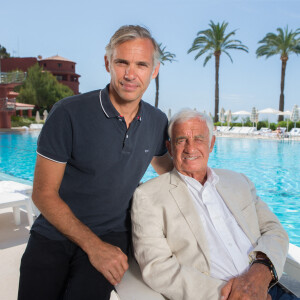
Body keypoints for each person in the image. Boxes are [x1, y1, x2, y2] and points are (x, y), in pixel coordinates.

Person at [18, 25, 173, 300]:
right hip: (54, 232)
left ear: (154, 71)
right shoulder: (68, 113)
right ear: (107, 63)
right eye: (122, 62)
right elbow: (42, 194)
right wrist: (94, 247)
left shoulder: (157, 122)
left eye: (141, 64)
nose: (130, 74)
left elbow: (170, 172)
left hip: (111, 234)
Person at [131, 109, 297, 300]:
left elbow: (274, 230)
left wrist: (260, 274)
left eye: (199, 139)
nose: (190, 148)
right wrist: (235, 295)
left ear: (211, 144)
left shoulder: (239, 181)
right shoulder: (148, 197)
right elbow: (157, 268)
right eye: (181, 140)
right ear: (169, 148)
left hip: (268, 288)